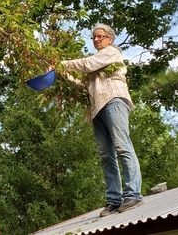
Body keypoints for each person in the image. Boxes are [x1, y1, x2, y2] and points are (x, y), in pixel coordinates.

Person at [59, 24, 143, 217]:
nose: (96, 40)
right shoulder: (97, 63)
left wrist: (63, 64)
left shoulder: (111, 53)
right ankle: (114, 200)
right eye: (94, 37)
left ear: (110, 39)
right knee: (106, 155)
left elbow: (87, 64)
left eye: (100, 36)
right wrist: (65, 76)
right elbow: (86, 86)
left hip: (114, 101)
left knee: (122, 146)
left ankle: (133, 194)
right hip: (97, 107)